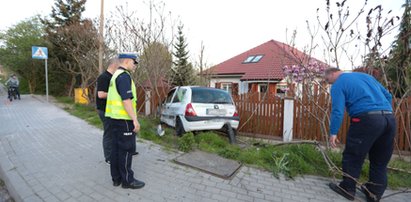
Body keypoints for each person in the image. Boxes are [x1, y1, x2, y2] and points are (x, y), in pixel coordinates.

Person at [324, 68, 396, 202]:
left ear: (333, 74)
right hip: (389, 119)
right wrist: (383, 110)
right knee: (380, 161)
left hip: (366, 120)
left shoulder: (338, 84)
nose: (329, 84)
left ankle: (348, 188)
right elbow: (388, 96)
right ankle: (374, 194)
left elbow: (338, 110)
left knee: (353, 156)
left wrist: (333, 132)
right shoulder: (366, 77)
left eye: (328, 80)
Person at [105, 53, 145, 189]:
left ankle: (116, 178)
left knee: (115, 150)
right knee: (126, 150)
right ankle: (128, 181)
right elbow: (126, 100)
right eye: (134, 62)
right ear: (127, 61)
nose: (135, 65)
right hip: (124, 120)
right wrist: (135, 120)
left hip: (113, 119)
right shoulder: (123, 77)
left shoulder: (115, 75)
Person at [96, 58, 119, 164]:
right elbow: (100, 94)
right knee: (108, 133)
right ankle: (108, 157)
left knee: (113, 132)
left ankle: (114, 153)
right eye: (118, 65)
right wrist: (116, 95)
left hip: (111, 110)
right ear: (114, 64)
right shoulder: (103, 77)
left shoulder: (112, 77)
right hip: (104, 110)